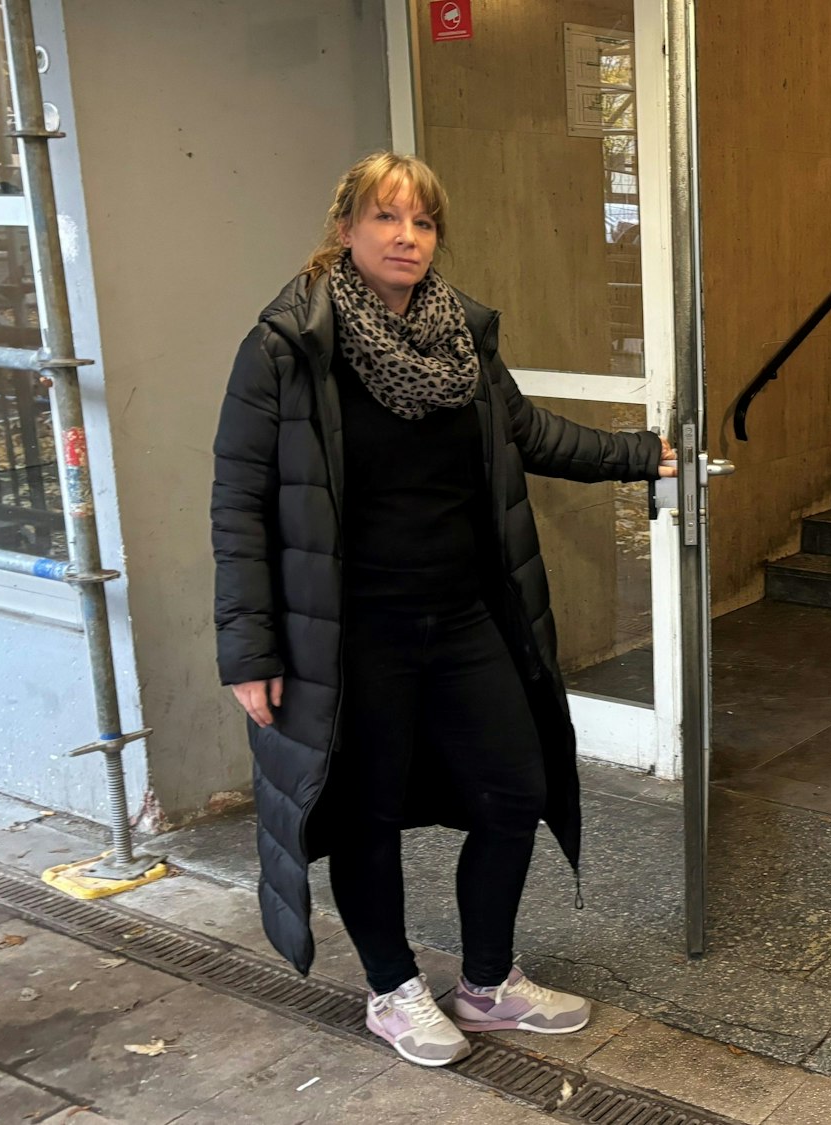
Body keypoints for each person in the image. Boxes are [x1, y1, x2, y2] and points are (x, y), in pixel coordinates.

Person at [211, 152, 675, 1068]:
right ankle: (391, 988)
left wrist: (640, 455)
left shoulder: (461, 336)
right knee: (367, 815)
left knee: (517, 788)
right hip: (352, 635)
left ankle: (489, 983)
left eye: (422, 222)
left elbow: (526, 432)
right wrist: (248, 646)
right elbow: (240, 499)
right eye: (386, 218)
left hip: (462, 617)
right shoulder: (288, 347)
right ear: (344, 229)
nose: (406, 237)